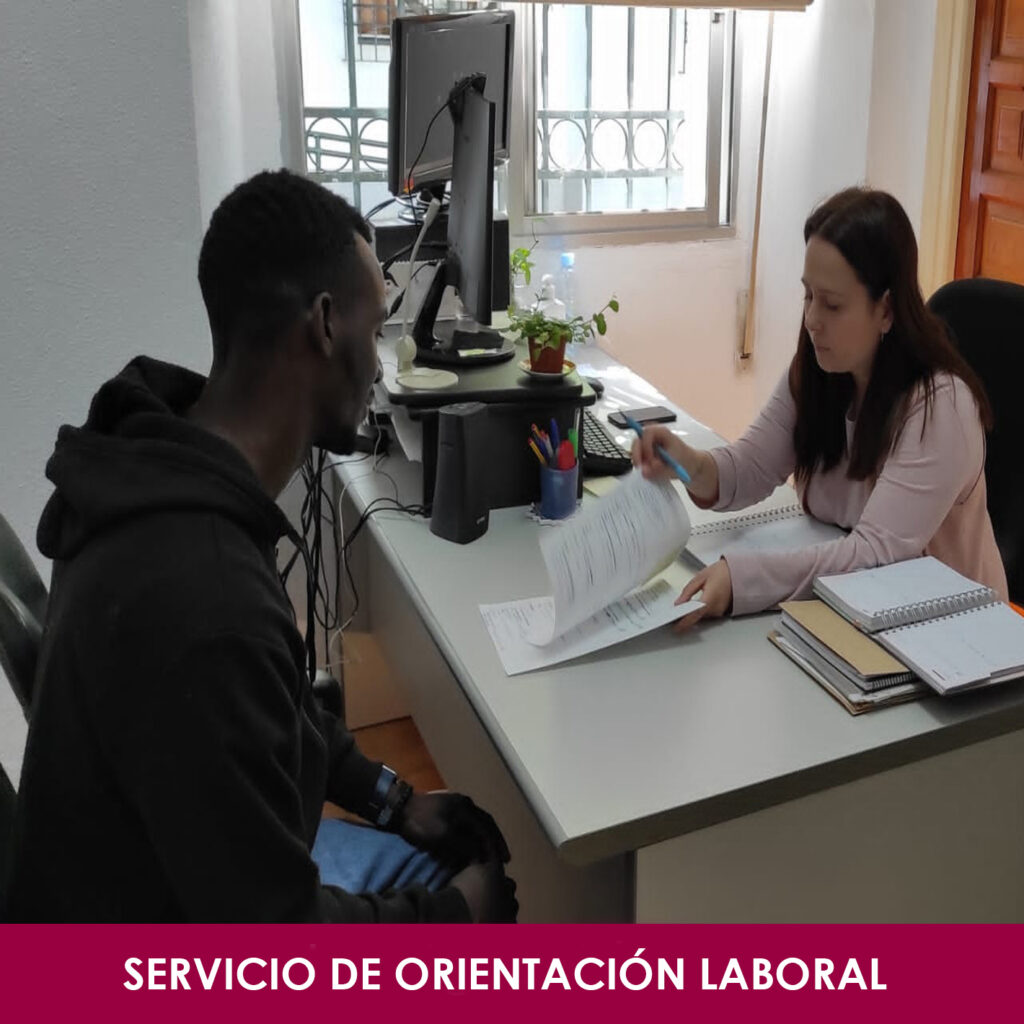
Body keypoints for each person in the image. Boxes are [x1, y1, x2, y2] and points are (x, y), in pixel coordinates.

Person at [4, 169, 517, 922]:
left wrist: (393, 799)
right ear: (325, 324)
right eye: (375, 329)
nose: (379, 364)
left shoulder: (155, 471)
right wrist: (453, 918)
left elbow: (268, 714)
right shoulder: (206, 597)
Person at [634, 187, 1008, 629]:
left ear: (886, 310)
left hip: (950, 631)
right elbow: (751, 466)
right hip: (854, 611)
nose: (812, 319)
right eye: (808, 295)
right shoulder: (820, 369)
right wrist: (687, 463)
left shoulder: (940, 407)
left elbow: (876, 554)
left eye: (832, 304)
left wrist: (741, 580)